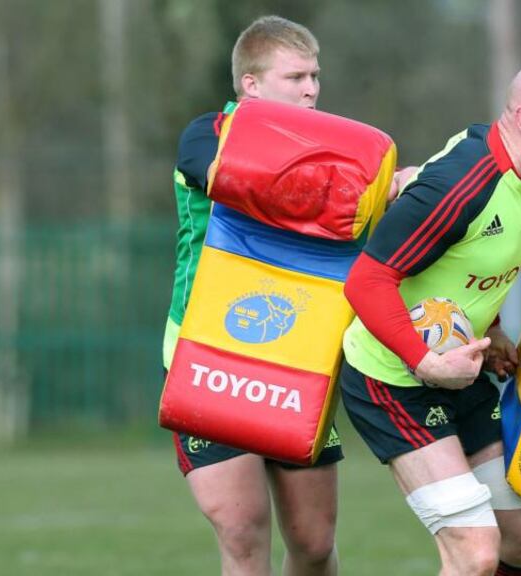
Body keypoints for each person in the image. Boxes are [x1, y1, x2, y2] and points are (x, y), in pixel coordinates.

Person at [338, 62, 521, 575]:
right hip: (393, 379)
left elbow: (475, 264)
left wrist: (494, 330)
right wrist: (425, 362)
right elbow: (365, 281)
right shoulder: (462, 184)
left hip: (460, 372)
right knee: (474, 553)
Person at [163, 16, 344, 575]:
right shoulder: (208, 133)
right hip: (209, 351)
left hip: (297, 357)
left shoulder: (336, 149)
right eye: (295, 76)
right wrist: (332, 188)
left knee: (314, 544)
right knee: (243, 535)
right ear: (252, 85)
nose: (311, 88)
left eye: (314, 75)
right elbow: (223, 173)